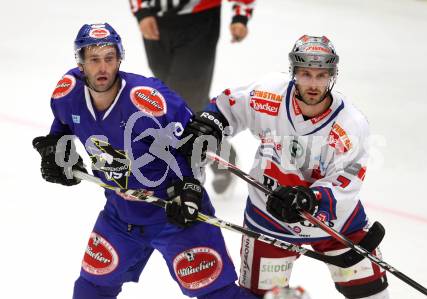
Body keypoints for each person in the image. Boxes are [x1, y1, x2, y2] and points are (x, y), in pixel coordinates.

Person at [32, 23, 258, 299]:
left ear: (119, 59)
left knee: (218, 295)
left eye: (109, 58)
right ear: (80, 63)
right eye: (94, 60)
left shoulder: (149, 99)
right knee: (90, 290)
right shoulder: (67, 93)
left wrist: (190, 190)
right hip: (120, 215)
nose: (103, 68)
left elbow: (192, 146)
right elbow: (63, 126)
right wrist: (55, 150)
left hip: (175, 215)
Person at [180, 35, 389, 298]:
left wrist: (310, 198)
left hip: (334, 223)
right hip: (270, 220)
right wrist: (212, 122)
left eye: (321, 75)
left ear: (332, 76)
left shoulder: (350, 125)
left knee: (373, 294)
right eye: (305, 74)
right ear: (293, 72)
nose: (313, 84)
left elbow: (347, 182)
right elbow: (229, 105)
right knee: (259, 296)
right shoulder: (269, 94)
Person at [129, 0, 256, 193]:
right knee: (169, 100)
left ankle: (186, 174)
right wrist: (142, 12)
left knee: (186, 99)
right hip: (156, 20)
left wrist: (241, 14)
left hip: (199, 21)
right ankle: (222, 154)